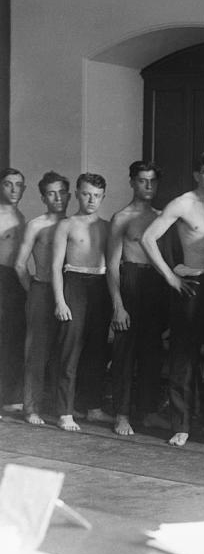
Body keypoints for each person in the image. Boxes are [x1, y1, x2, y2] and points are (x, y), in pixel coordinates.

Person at [141, 152, 204, 447]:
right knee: (184, 358)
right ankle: (181, 424)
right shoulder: (183, 203)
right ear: (197, 174)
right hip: (191, 285)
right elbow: (148, 239)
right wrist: (170, 277)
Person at [107, 161, 166, 436]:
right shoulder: (122, 217)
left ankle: (148, 411)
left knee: (152, 352)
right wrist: (118, 305)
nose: (149, 186)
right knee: (124, 354)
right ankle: (122, 414)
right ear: (132, 182)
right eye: (143, 180)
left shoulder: (162, 216)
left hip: (155, 285)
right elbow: (111, 265)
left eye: (153, 180)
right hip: (129, 279)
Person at [51, 173, 113, 432]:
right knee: (70, 349)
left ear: (103, 197)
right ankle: (64, 411)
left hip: (100, 285)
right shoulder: (66, 225)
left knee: (97, 350)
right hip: (73, 283)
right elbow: (55, 267)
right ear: (77, 193)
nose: (91, 200)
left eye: (97, 195)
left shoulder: (107, 226)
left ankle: (93, 407)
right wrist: (60, 301)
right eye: (87, 194)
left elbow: (112, 265)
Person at [14, 171, 69, 425]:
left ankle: (61, 408)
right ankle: (31, 407)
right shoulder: (36, 225)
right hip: (42, 289)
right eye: (51, 193)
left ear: (69, 194)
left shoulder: (74, 224)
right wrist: (34, 291)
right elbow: (20, 265)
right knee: (36, 351)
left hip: (68, 294)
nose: (57, 198)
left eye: (61, 192)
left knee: (64, 352)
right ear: (43, 197)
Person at [0, 168, 27, 415]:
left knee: (11, 340)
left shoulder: (21, 216)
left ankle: (8, 397)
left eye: (19, 185)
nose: (14, 189)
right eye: (8, 184)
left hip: (14, 280)